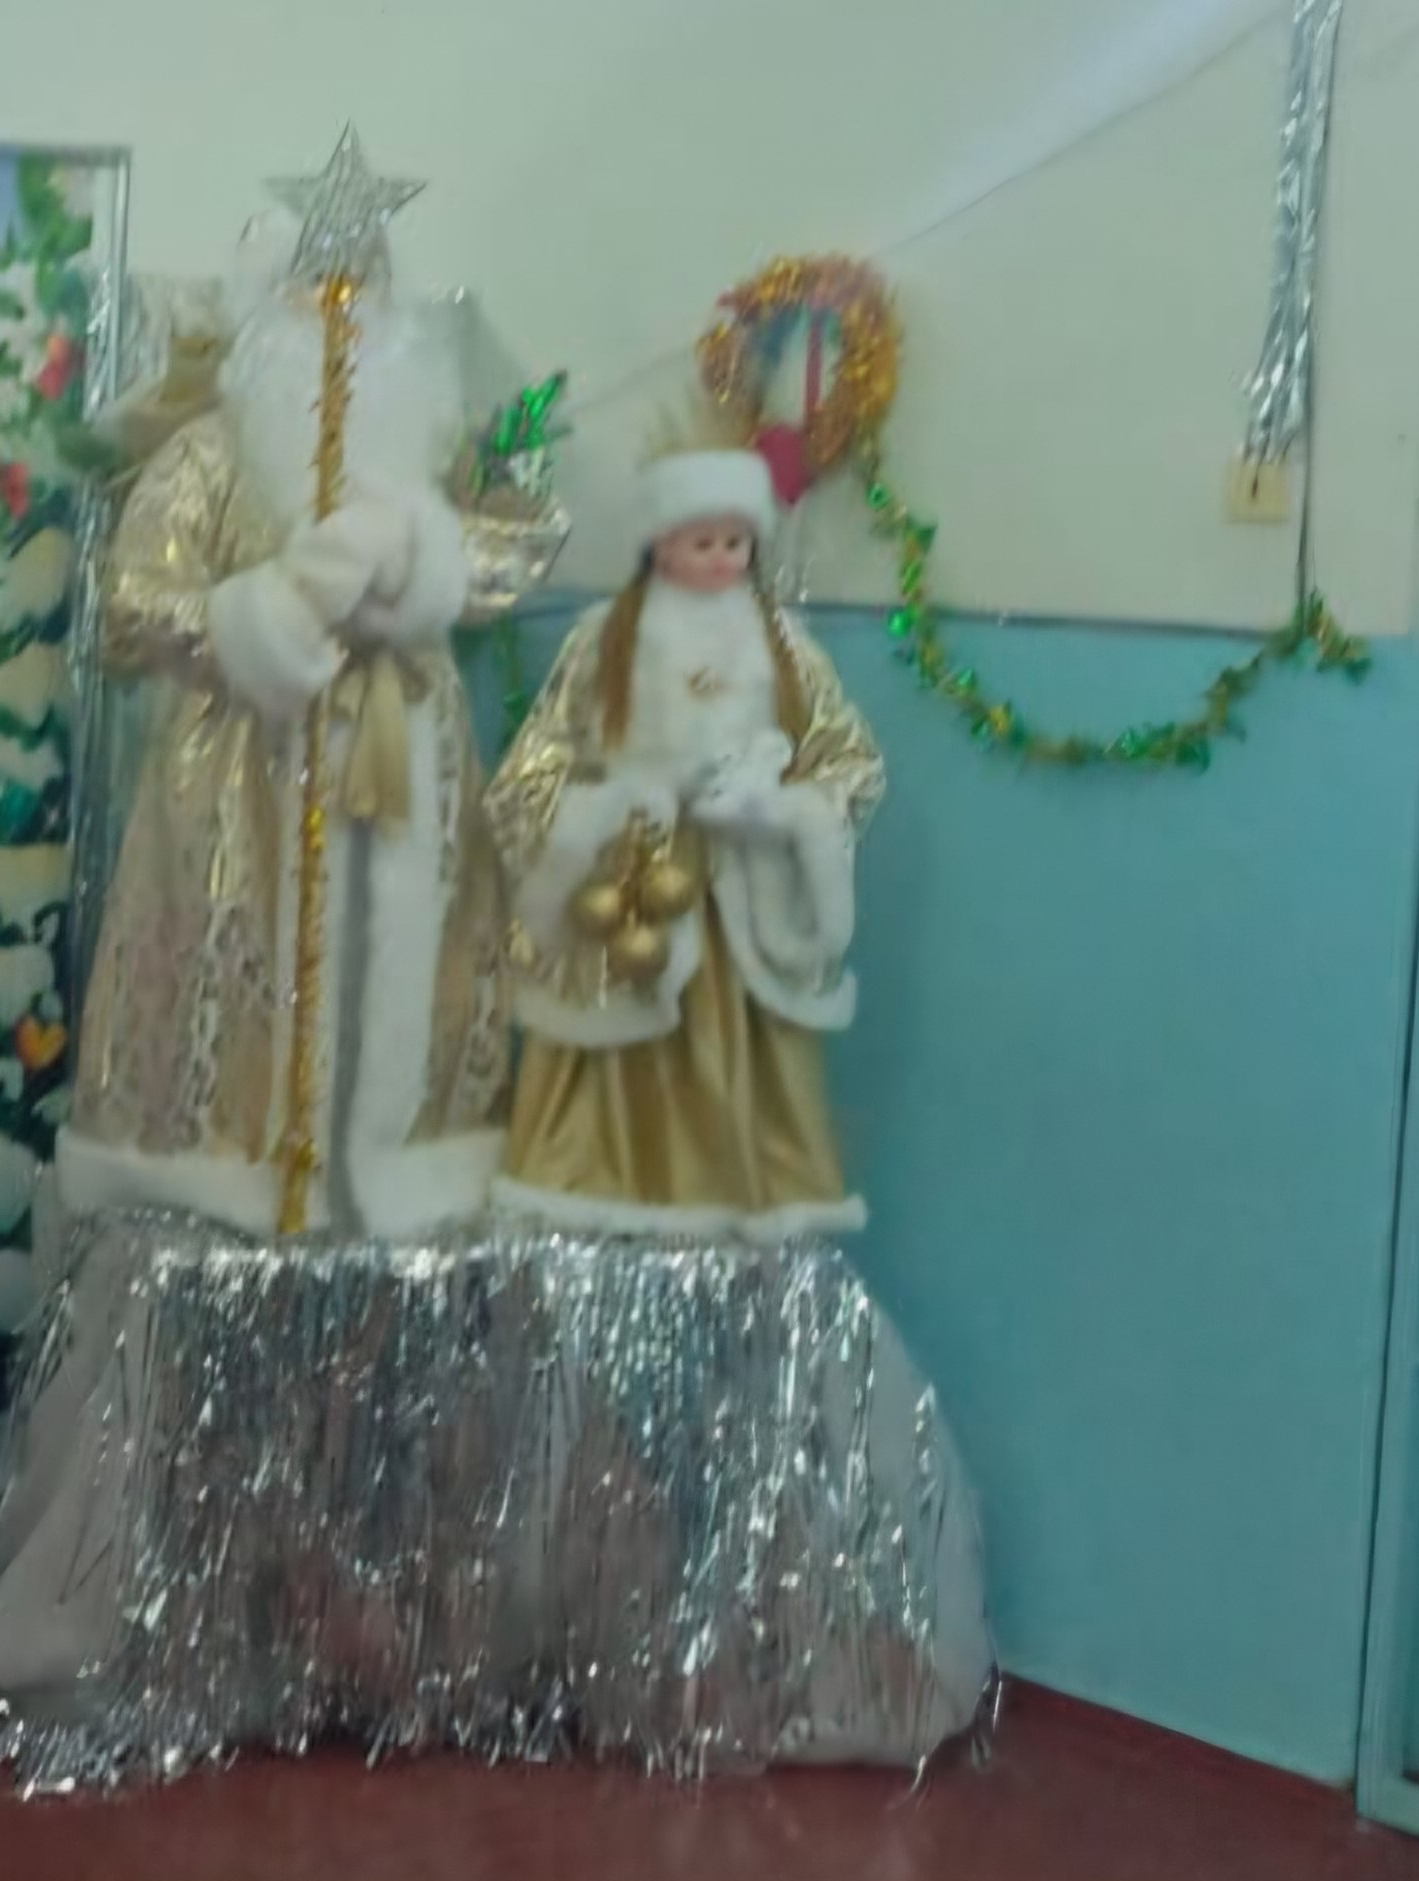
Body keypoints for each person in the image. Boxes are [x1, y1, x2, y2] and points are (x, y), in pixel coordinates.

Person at [59, 174, 526, 1246]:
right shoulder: (212, 454)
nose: (340, 326)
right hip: (242, 774)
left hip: (406, 767)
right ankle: (231, 1163)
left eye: (362, 301)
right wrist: (259, 617)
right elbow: (134, 600)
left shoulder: (433, 460)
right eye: (315, 299)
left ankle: (399, 1163)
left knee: (404, 977)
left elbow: (515, 549)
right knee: (244, 979)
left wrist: (423, 568)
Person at [486, 425, 886, 1240]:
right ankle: (605, 1184)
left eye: (737, 543)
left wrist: (782, 810)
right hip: (629, 887)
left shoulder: (784, 647)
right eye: (704, 542)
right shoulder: (604, 641)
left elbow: (851, 762)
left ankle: (742, 1191)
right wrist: (602, 808)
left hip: (745, 893)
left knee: (746, 1044)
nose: (723, 559)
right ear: (661, 543)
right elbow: (535, 767)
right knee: (617, 1034)